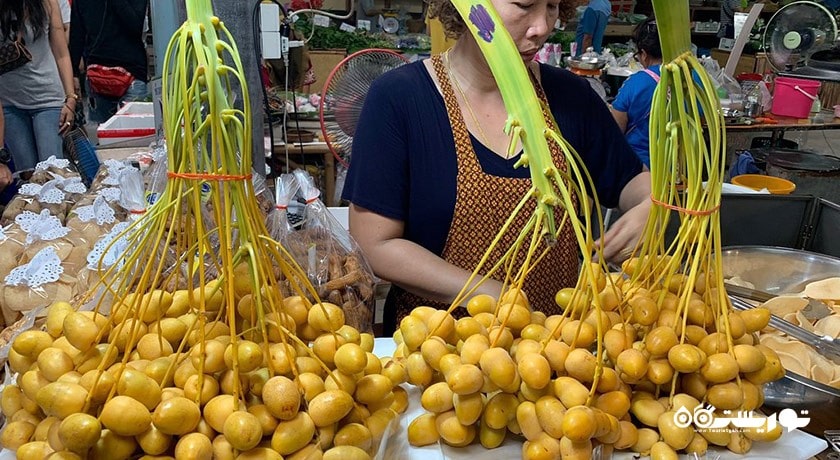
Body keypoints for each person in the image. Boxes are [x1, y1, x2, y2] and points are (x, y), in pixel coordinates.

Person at [342, 0, 651, 333]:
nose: (543, 27)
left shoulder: (571, 98)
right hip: (434, 350)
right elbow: (375, 244)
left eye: (552, 6)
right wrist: (490, 293)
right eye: (523, 5)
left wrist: (651, 206)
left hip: (554, 351)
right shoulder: (400, 99)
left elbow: (632, 182)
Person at [0, 0, 77, 174]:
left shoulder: (48, 3)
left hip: (48, 99)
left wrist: (71, 97)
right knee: (26, 173)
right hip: (8, 103)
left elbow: (61, 53)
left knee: (53, 171)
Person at [69, 0, 149, 124]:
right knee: (105, 136)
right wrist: (73, 74)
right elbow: (76, 35)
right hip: (99, 74)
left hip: (130, 73)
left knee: (136, 133)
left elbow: (135, 25)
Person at [610, 18, 661, 168]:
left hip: (641, 168)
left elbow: (615, 132)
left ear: (644, 54)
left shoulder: (636, 83)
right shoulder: (695, 78)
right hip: (685, 170)